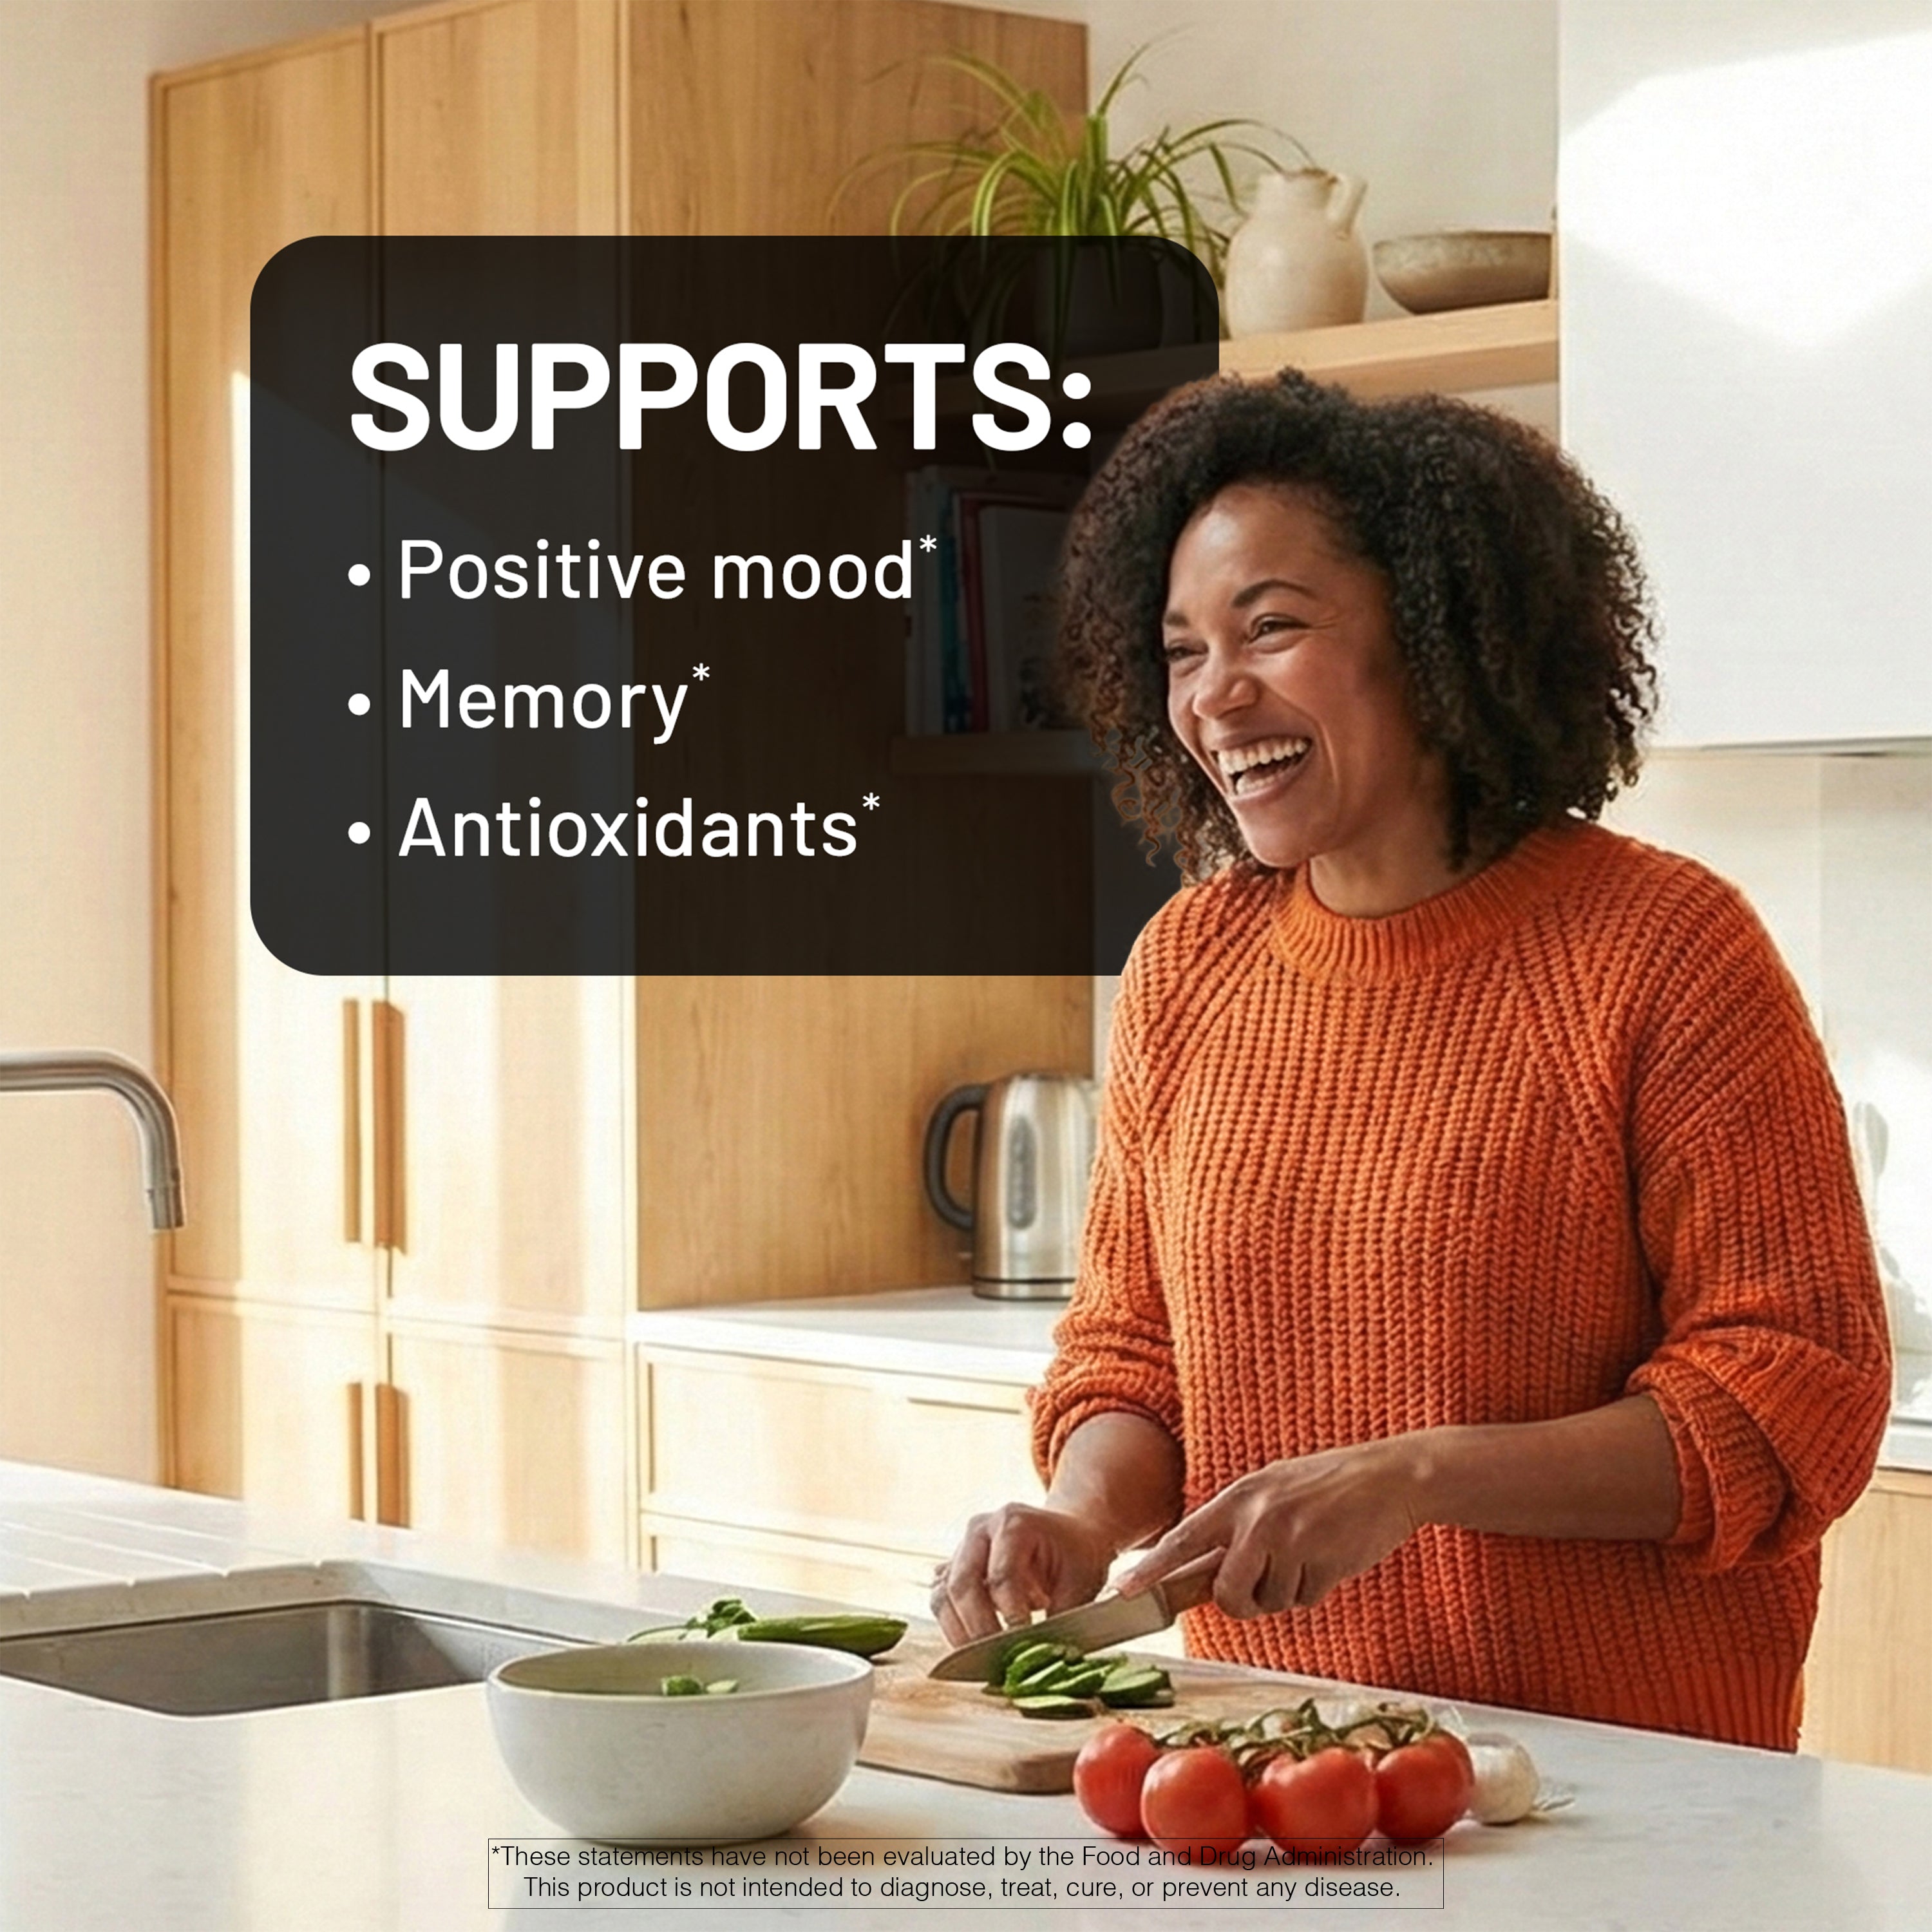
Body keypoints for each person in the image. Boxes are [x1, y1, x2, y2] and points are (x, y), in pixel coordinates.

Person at [930, 370, 1892, 1750]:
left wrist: (1420, 1477)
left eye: (1272, 627)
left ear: (1437, 638)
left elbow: (1791, 1397)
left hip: (1615, 1781)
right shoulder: (1189, 965)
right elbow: (1134, 1357)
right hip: (1280, 1761)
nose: (1217, 696)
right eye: (1183, 651)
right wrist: (1080, 1517)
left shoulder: (1665, 950)